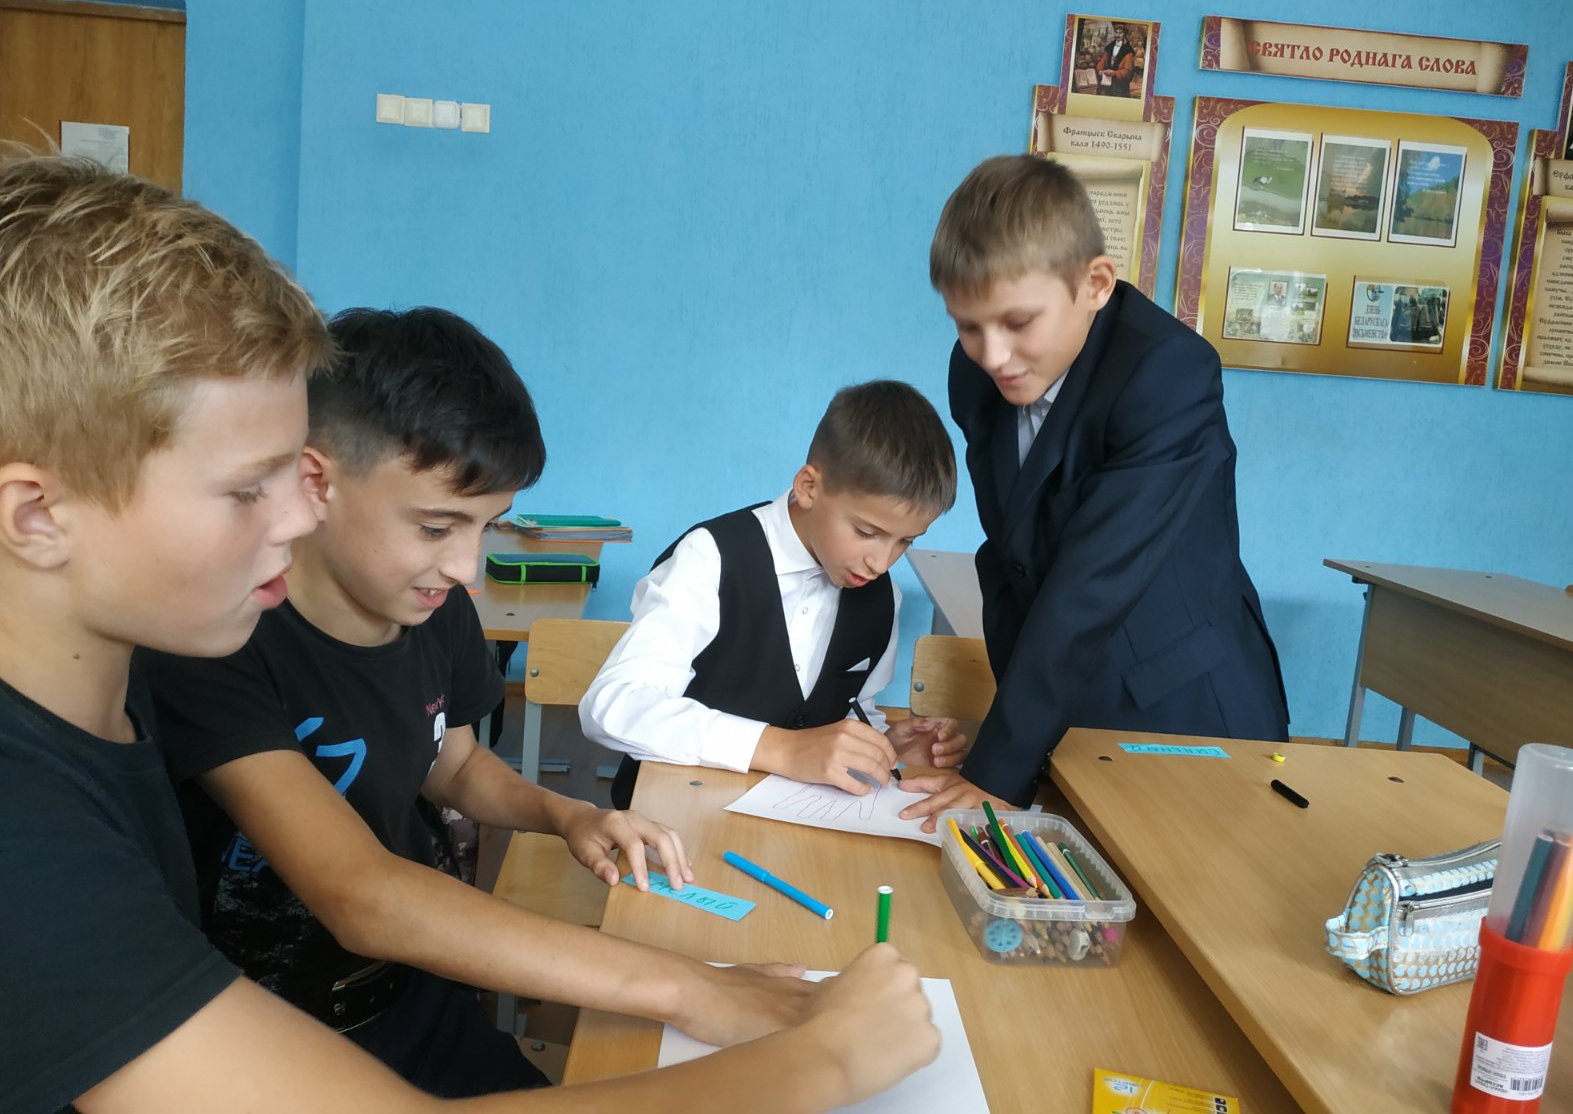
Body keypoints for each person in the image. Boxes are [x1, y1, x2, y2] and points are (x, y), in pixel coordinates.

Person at [0, 150, 936, 1113]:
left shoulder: (117, 700)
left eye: (298, 478)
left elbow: (446, 765)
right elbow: (361, 899)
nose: (299, 515)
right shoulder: (40, 816)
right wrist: (815, 1057)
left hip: (402, 1009)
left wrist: (567, 820)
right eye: (251, 488)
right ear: (35, 516)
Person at [900, 155, 1289, 826]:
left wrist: (996, 770)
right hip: (1057, 708)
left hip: (1180, 714)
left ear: (1095, 284)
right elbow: (1016, 543)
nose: (992, 355)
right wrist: (1017, 753)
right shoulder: (976, 374)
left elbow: (1090, 588)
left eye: (1018, 322)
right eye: (968, 326)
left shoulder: (1167, 373)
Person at [581, 380, 967, 810]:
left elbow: (851, 710)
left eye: (905, 541)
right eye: (866, 532)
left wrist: (883, 746)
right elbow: (612, 707)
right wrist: (781, 749)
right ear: (808, 487)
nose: (882, 561)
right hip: (673, 818)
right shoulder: (709, 558)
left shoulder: (882, 598)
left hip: (795, 826)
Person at [1096, 24, 1137, 97]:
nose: (1118, 35)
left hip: (1120, 86)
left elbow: (1128, 71)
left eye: (1120, 33)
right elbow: (1102, 62)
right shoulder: (1110, 46)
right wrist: (1100, 70)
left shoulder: (1128, 51)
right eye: (1116, 32)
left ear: (1124, 34)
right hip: (1107, 82)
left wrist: (1114, 73)